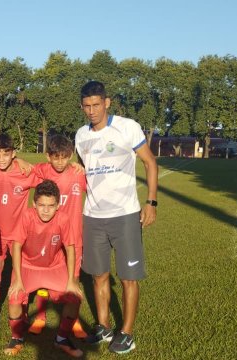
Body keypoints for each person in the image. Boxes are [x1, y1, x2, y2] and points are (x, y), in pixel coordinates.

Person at [75, 80, 158, 354]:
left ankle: (127, 332)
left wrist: (151, 202)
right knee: (98, 275)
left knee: (127, 277)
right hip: (93, 216)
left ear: (107, 103)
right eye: (86, 106)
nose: (91, 111)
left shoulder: (127, 127)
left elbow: (150, 162)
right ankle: (103, 326)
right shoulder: (81, 136)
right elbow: (79, 171)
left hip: (125, 215)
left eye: (96, 104)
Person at [5, 181, 84, 358]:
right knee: (15, 296)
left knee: (74, 297)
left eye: (50, 206)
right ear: (34, 204)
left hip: (53, 266)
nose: (46, 210)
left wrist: (72, 280)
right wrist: (17, 279)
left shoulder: (63, 219)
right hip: (28, 266)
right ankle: (16, 338)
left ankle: (62, 338)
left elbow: (70, 249)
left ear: (58, 205)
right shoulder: (27, 216)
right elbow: (16, 246)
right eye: (41, 205)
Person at [0, 133, 40, 328]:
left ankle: (22, 308)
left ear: (13, 153)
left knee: (21, 273)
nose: (1, 158)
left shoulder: (25, 171)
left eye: (6, 154)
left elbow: (48, 176)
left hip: (21, 233)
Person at [28, 134, 88, 339]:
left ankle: (75, 320)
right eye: (56, 157)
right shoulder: (42, 171)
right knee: (44, 275)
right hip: (48, 235)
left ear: (71, 156)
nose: (60, 162)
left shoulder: (79, 174)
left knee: (73, 278)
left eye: (65, 157)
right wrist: (17, 159)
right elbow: (22, 169)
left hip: (73, 235)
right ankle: (40, 316)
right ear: (48, 156)